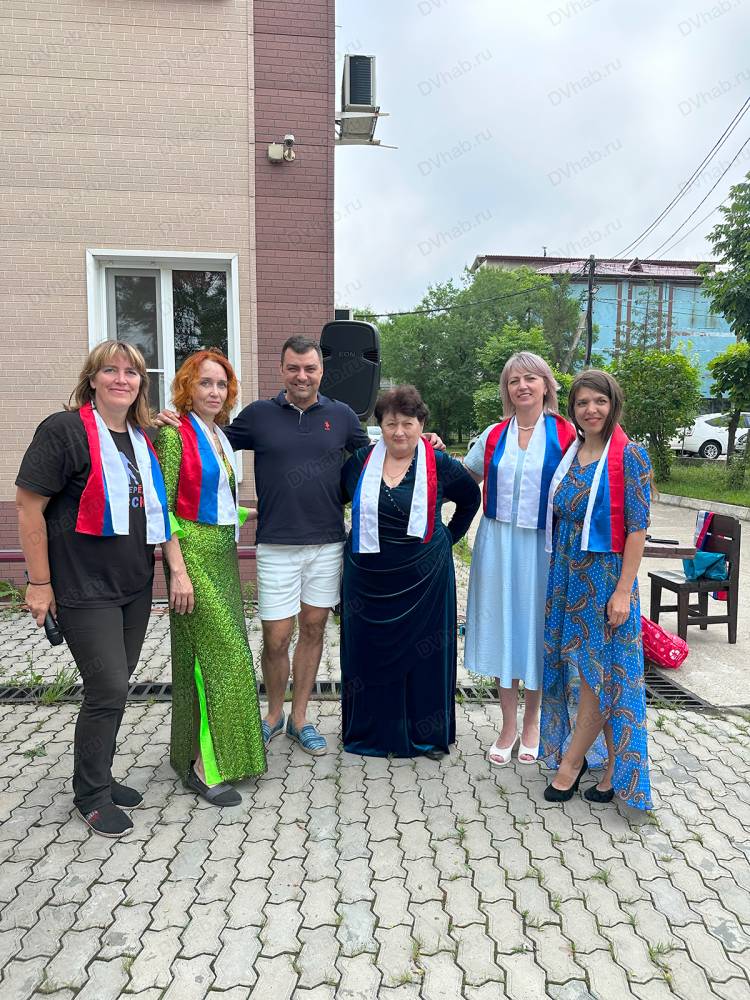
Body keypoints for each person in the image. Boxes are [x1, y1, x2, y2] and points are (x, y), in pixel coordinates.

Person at [157, 336, 444, 756]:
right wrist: (169, 420)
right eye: (293, 368)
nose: (302, 376)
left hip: (327, 545)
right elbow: (204, 439)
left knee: (313, 630)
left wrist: (422, 438)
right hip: (276, 547)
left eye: (310, 368)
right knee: (276, 637)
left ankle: (300, 719)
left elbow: (384, 449)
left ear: (321, 372)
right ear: (282, 370)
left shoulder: (342, 416)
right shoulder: (258, 416)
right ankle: (273, 715)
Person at [15, 341, 179, 838]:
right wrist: (39, 584)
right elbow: (28, 508)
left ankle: (99, 775)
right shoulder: (64, 431)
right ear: (92, 379)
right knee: (107, 689)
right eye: (110, 370)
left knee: (116, 686)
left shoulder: (142, 438)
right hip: (83, 588)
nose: (121, 379)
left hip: (134, 584)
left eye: (132, 372)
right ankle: (90, 795)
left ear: (141, 384)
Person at [340, 386, 480, 759]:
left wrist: (446, 539)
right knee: (368, 653)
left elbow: (471, 499)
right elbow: (336, 496)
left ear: (421, 424)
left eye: (408, 423)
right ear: (380, 427)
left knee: (424, 657)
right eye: (391, 424)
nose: (399, 432)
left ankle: (426, 735)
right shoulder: (360, 461)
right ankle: (369, 733)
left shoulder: (441, 463)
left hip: (425, 579)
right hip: (368, 580)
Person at [156, 350, 267, 806]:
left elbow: (211, 501)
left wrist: (254, 512)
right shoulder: (173, 434)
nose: (215, 392)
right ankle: (205, 768)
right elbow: (163, 510)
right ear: (188, 386)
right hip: (192, 558)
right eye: (205, 383)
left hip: (221, 556)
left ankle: (196, 754)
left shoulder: (218, 435)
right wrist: (178, 572)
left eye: (221, 384)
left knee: (207, 657)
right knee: (222, 660)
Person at [540, 370, 652, 810]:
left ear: (613, 404)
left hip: (604, 580)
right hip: (568, 576)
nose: (591, 409)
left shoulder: (630, 456)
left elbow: (637, 529)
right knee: (586, 669)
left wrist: (623, 591)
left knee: (596, 675)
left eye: (599, 401)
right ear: (573, 409)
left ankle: (571, 763)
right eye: (583, 402)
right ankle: (611, 770)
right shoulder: (573, 452)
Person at [463, 353, 577, 767]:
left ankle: (533, 723)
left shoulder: (567, 433)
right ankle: (507, 725)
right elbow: (464, 478)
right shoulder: (493, 434)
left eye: (531, 378)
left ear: (546, 385)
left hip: (543, 545)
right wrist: (427, 449)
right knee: (502, 627)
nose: (522, 386)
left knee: (534, 629)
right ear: (507, 390)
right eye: (514, 381)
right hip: (497, 543)